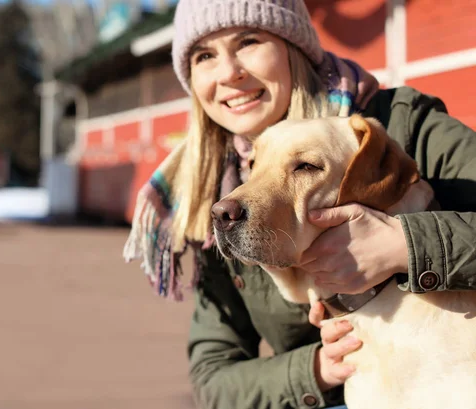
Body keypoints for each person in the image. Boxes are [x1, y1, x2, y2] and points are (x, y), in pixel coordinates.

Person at [123, 0, 476, 408]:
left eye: (249, 41)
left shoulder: (400, 126)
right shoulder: (210, 190)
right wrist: (316, 368)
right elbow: (213, 376)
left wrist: (404, 245)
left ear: (294, 48)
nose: (228, 72)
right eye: (205, 56)